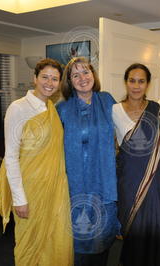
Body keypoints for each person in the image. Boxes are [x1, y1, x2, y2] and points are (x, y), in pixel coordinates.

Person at [0, 58, 73, 266]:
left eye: (55, 79)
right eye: (45, 77)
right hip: (30, 189)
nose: (49, 83)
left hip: (55, 188)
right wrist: (19, 198)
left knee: (56, 238)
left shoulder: (51, 108)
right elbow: (11, 156)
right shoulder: (18, 108)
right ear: (35, 78)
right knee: (30, 242)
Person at [57, 57, 120, 266]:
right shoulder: (62, 109)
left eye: (86, 72)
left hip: (104, 180)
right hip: (76, 185)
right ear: (69, 81)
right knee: (81, 239)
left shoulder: (107, 100)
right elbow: (52, 148)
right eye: (76, 75)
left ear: (93, 75)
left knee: (104, 236)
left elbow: (125, 131)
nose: (82, 78)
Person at [113, 63, 160, 266]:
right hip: (128, 179)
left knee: (159, 230)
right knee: (133, 231)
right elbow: (111, 146)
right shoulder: (114, 110)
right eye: (132, 80)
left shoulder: (155, 109)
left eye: (141, 81)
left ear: (148, 84)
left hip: (155, 179)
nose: (136, 86)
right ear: (126, 82)